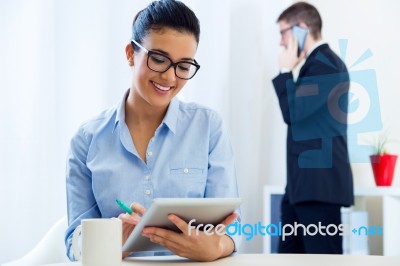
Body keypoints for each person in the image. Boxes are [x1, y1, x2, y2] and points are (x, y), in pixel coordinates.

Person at [64, 0, 240, 262]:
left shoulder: (208, 127)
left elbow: (232, 230)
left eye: (183, 66)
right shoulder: (86, 140)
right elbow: (74, 246)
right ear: (130, 54)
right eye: (158, 59)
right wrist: (116, 241)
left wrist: (215, 248)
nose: (169, 78)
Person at [272, 2, 354, 254]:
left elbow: (293, 113)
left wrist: (285, 70)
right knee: (287, 258)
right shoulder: (315, 66)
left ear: (301, 28)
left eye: (283, 33)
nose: (281, 42)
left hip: (318, 190)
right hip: (302, 188)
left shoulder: (325, 64)